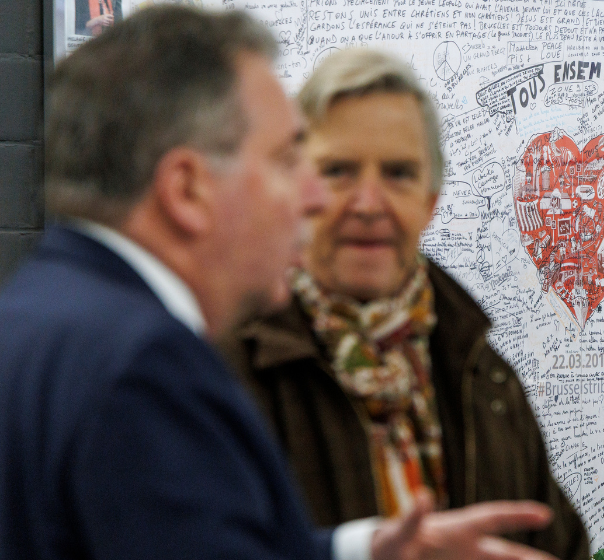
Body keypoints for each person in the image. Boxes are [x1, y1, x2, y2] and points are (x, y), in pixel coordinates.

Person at [0, 8, 559, 560]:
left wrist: (359, 551)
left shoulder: (39, 316)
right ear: (187, 188)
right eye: (289, 161)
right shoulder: (152, 364)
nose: (312, 198)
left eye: (398, 172)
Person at [217, 48, 591, 560]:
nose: (368, 204)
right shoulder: (220, 368)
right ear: (296, 190)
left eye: (397, 174)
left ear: (429, 202)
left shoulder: (486, 383)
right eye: (339, 171)